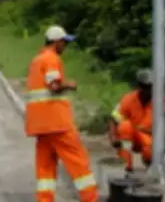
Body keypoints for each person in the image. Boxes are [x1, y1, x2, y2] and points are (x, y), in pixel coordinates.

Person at [24, 25, 99, 202]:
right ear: (57, 42)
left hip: (40, 125)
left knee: (45, 167)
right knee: (78, 162)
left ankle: (45, 199)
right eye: (64, 43)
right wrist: (69, 84)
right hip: (57, 123)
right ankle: (90, 198)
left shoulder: (37, 60)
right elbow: (54, 86)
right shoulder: (51, 59)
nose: (65, 46)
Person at [108, 69, 165, 173]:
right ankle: (126, 166)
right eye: (146, 87)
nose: (149, 90)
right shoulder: (128, 99)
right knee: (125, 126)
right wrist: (113, 138)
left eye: (151, 87)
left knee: (149, 151)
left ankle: (151, 162)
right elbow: (113, 119)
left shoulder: (163, 101)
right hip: (133, 136)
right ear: (140, 86)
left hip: (150, 138)